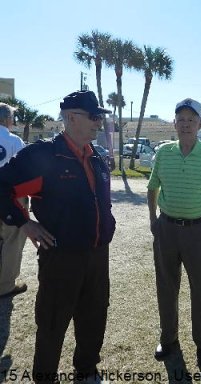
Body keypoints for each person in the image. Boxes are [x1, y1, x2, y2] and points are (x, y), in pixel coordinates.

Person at [0, 91, 115, 384]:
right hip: (61, 257)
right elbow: (2, 188)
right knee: (52, 322)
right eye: (93, 116)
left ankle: (87, 370)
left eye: (100, 117)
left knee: (94, 316)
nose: (98, 123)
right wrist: (24, 223)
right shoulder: (42, 156)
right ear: (72, 117)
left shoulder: (97, 157)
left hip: (98, 254)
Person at [147, 98, 201, 365]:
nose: (185, 124)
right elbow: (152, 188)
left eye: (191, 120)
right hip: (167, 229)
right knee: (166, 287)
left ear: (200, 124)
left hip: (200, 232)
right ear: (174, 123)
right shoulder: (164, 153)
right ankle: (168, 339)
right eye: (181, 119)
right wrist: (153, 220)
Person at [0, 103, 29, 299]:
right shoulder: (14, 140)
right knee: (12, 239)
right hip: (10, 195)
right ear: (6, 119)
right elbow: (26, 171)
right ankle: (5, 285)